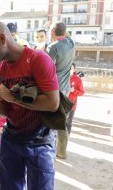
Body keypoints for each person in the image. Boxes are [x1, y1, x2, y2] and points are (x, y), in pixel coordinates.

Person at [0, 20, 59, 190]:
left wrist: (12, 97)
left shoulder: (38, 59)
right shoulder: (0, 70)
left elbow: (53, 103)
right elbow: (7, 111)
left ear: (2, 39)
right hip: (11, 139)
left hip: (40, 140)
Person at [46, 21, 75, 159]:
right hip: (66, 89)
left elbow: (47, 69)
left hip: (54, 89)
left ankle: (49, 149)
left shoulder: (53, 47)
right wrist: (58, 29)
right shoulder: (70, 43)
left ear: (52, 31)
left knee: (50, 119)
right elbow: (66, 34)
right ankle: (62, 151)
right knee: (62, 118)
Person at [67, 63, 85, 134]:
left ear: (74, 69)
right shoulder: (61, 76)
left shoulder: (77, 79)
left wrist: (74, 91)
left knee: (69, 122)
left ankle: (67, 135)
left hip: (71, 105)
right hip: (61, 104)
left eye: (71, 68)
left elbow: (82, 92)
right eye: (68, 68)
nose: (69, 70)